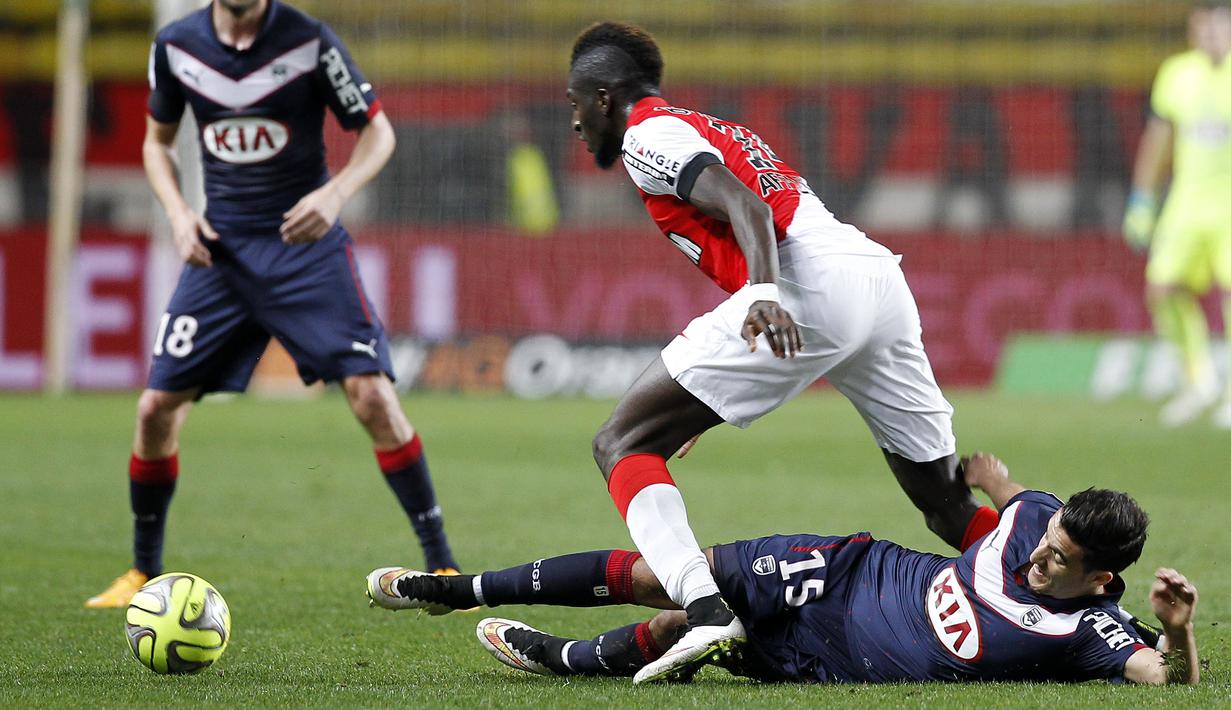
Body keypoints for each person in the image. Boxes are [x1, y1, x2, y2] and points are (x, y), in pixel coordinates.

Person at [560, 21, 1000, 676]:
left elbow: (748, 208)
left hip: (805, 286)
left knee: (620, 442)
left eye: (574, 104)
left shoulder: (648, 137)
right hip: (874, 280)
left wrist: (763, 295)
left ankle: (704, 610)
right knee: (944, 503)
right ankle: (1067, 597)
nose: (574, 123)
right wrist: (700, 401)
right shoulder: (704, 126)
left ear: (603, 98)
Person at [85, 0, 460, 608]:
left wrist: (334, 195)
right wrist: (178, 214)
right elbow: (157, 144)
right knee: (154, 409)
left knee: (372, 396)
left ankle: (443, 566)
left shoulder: (308, 41)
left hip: (304, 252)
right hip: (221, 254)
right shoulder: (176, 45)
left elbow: (378, 132)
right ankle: (142, 573)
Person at [365, 453, 1199, 686]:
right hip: (845, 570)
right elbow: (1010, 493)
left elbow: (1164, 678)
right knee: (672, 574)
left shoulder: (1089, 627)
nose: (1042, 554)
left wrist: (1178, 632)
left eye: (1060, 560)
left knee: (672, 629)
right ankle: (453, 589)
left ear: (1100, 580)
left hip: (837, 657)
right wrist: (984, 474)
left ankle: (558, 658)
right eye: (1048, 537)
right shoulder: (1035, 518)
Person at [1124, 0, 1231, 428]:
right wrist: (1142, 199)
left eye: (1218, 28)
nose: (1209, 36)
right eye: (1201, 29)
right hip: (1187, 202)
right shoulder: (1177, 75)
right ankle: (1198, 381)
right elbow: (1159, 139)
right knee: (1163, 288)